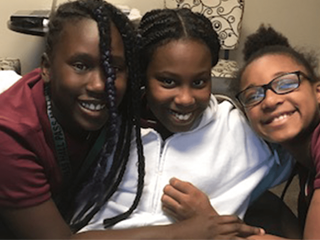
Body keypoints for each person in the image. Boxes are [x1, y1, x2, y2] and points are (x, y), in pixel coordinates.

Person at [80, 8, 293, 239]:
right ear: (142, 75)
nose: (185, 99)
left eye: (199, 82)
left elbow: (302, 148)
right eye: (168, 81)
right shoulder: (111, 126)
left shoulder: (240, 130)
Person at [0, 0, 146, 238]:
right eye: (80, 65)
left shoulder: (120, 99)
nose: (100, 84)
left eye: (113, 68)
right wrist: (184, 232)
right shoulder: (9, 135)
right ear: (47, 67)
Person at [234, 25, 320, 239]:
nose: (270, 101)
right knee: (263, 203)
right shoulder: (302, 157)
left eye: (286, 83)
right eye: (254, 95)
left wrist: (215, 228)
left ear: (318, 91)